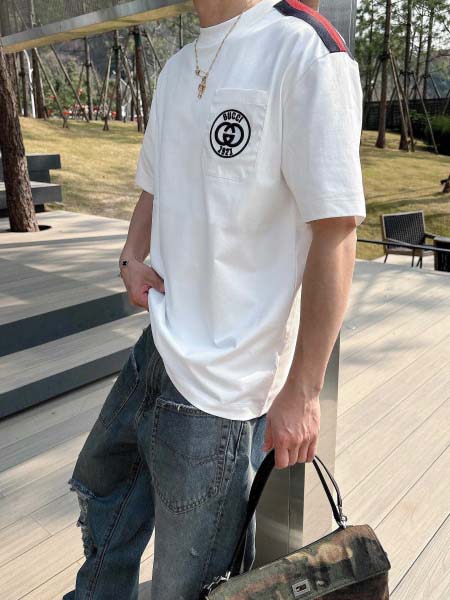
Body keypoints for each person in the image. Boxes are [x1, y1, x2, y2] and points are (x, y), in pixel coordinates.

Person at [63, 0, 366, 598]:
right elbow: (154, 183)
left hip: (226, 387)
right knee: (103, 499)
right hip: (157, 347)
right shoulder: (179, 67)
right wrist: (131, 255)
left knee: (190, 585)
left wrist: (304, 392)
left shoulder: (305, 50)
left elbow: (336, 229)